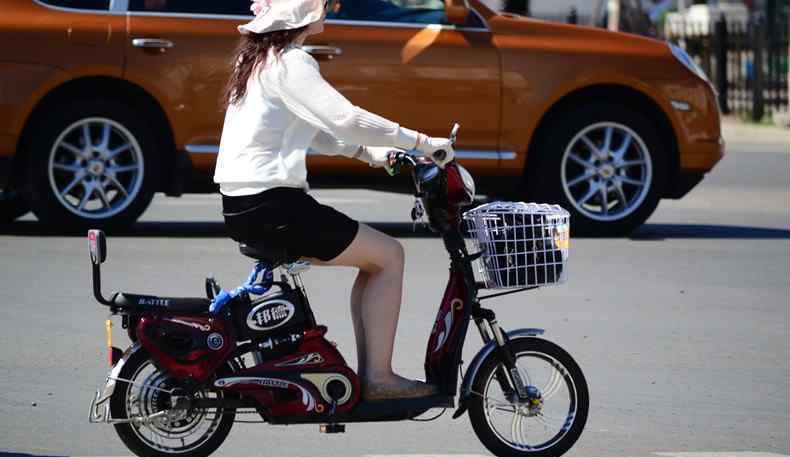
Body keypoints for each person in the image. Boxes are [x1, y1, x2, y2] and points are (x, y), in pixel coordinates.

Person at [214, 0, 455, 401]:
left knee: (375, 260)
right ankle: (379, 379)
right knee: (390, 256)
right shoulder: (291, 63)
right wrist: (423, 142)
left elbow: (321, 132)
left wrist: (378, 155)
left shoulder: (259, 60)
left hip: (246, 205)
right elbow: (345, 118)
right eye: (327, 2)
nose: (332, 7)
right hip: (274, 206)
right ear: (304, 11)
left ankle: (372, 375)